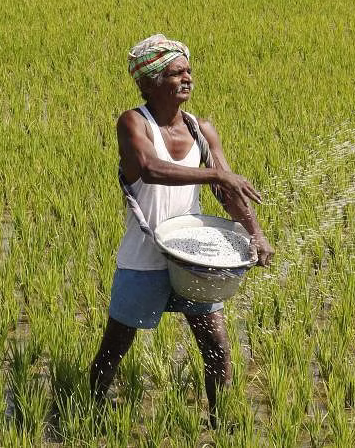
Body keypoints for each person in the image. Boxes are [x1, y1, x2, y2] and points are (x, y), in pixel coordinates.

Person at [88, 34, 275, 429]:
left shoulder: (202, 130)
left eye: (188, 70)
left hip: (192, 255)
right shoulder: (133, 122)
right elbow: (151, 169)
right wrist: (217, 172)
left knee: (216, 346)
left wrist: (256, 233)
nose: (187, 78)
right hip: (144, 258)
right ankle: (88, 417)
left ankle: (221, 426)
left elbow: (227, 192)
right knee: (115, 348)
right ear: (149, 83)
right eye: (176, 73)